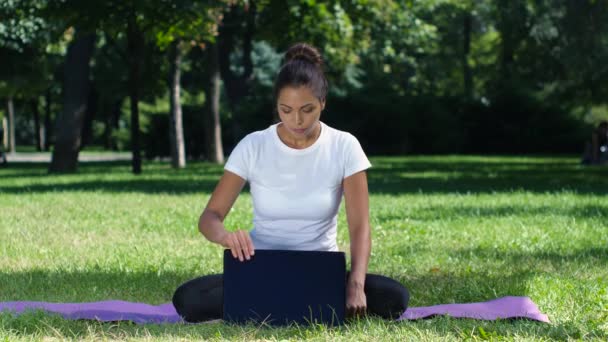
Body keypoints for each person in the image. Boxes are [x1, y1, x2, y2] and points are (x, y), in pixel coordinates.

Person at [172, 43, 410, 323]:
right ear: (276, 106)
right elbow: (209, 217)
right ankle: (299, 304)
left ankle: (276, 304)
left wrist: (355, 285)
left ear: (323, 102)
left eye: (307, 109)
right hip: (260, 268)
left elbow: (360, 227)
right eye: (286, 110)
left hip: (321, 271)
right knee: (189, 299)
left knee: (394, 296)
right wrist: (225, 236)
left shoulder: (345, 146)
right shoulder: (254, 145)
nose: (296, 120)